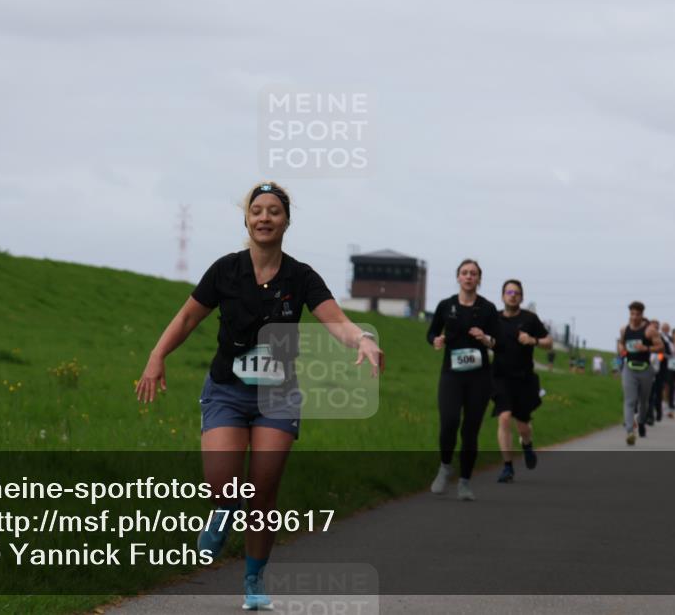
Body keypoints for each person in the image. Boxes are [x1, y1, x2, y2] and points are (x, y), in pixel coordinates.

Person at [135, 181, 383, 610]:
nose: (264, 218)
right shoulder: (225, 270)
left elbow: (335, 320)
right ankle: (222, 512)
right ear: (246, 219)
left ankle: (253, 580)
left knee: (263, 492)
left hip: (277, 396)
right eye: (257, 211)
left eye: (273, 211)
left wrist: (362, 338)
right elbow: (188, 317)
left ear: (286, 220)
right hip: (227, 391)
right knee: (222, 485)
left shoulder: (301, 276)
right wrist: (157, 355)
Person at [426, 259, 499, 501]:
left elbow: (498, 341)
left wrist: (486, 338)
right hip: (451, 374)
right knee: (449, 421)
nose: (469, 277)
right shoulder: (446, 306)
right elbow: (431, 332)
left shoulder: (487, 308)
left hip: (479, 377)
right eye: (465, 273)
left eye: (473, 273)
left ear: (479, 279)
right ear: (458, 277)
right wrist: (436, 340)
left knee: (470, 431)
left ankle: (465, 482)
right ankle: (445, 466)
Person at [490, 279, 551, 484]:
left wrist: (533, 340)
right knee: (504, 417)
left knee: (523, 426)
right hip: (500, 377)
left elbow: (548, 342)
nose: (512, 295)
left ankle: (527, 445)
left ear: (521, 297)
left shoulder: (530, 319)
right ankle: (507, 467)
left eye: (516, 292)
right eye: (508, 292)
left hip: (524, 379)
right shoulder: (494, 319)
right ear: (502, 296)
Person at [617, 302, 663, 445]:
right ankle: (630, 431)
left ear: (642, 315)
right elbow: (621, 343)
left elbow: (660, 346)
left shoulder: (649, 330)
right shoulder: (624, 329)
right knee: (629, 401)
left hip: (645, 369)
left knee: (644, 401)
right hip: (629, 369)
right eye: (632, 314)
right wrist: (621, 349)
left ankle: (641, 422)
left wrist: (646, 348)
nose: (634, 317)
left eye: (637, 314)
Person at [647, 319, 672, 425]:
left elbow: (669, 354)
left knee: (656, 391)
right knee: (648, 393)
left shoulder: (664, 340)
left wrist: (661, 356)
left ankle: (658, 411)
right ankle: (649, 415)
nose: (654, 329)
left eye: (656, 327)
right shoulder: (644, 338)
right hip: (646, 369)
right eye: (653, 326)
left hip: (660, 370)